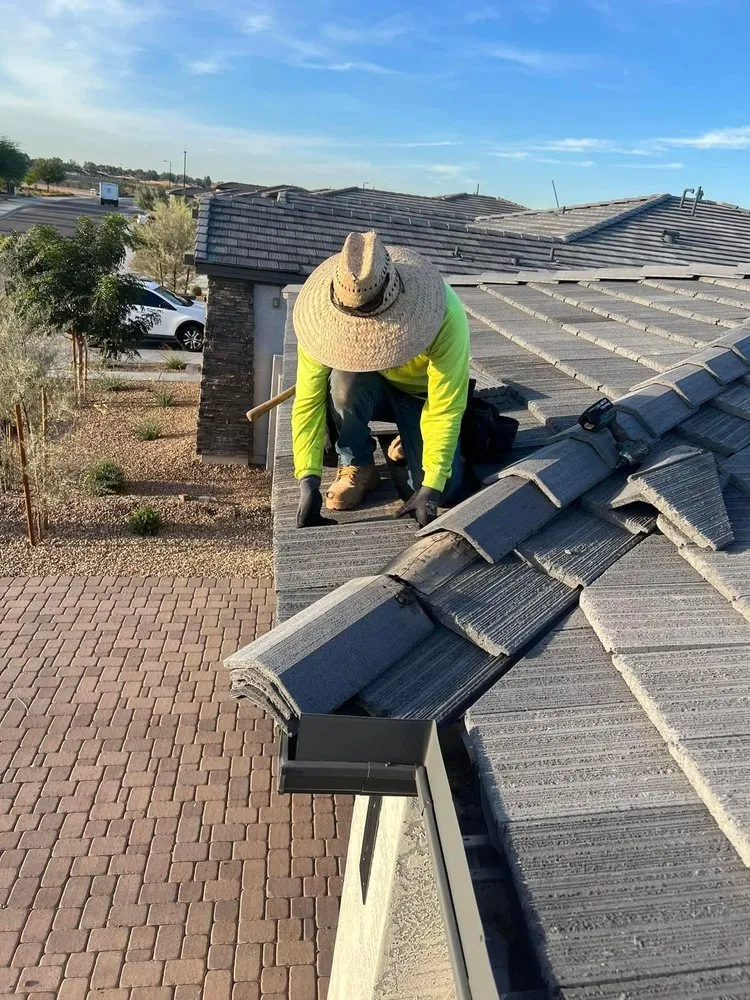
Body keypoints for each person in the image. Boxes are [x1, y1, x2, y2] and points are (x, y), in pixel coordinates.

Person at [291, 230, 470, 529]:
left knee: (444, 491)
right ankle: (357, 462)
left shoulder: (444, 313)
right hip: (368, 384)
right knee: (342, 385)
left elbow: (445, 407)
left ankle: (410, 435)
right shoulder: (318, 324)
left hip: (421, 396)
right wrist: (307, 480)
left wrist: (433, 483)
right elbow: (308, 403)